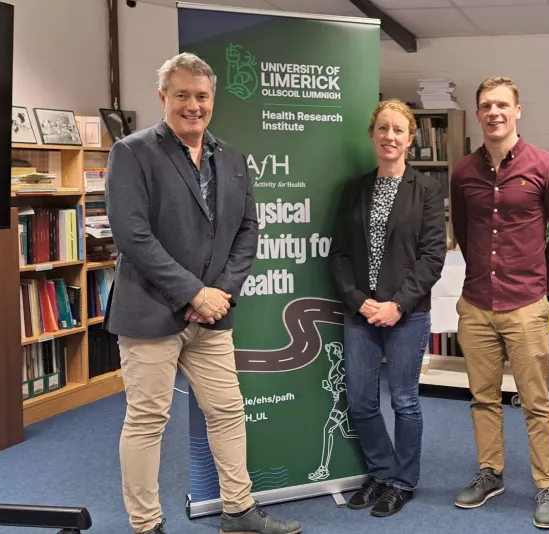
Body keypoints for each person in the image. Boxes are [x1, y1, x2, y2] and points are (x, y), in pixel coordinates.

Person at [103, 52, 302, 534]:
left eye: (202, 96)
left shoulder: (230, 157)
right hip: (151, 311)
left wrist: (221, 294)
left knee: (228, 411)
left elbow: (248, 230)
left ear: (213, 99)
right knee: (148, 421)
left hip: (213, 316)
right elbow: (133, 237)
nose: (193, 105)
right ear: (163, 98)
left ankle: (238, 510)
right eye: (182, 95)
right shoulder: (132, 153)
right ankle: (146, 525)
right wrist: (195, 293)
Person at [449, 77, 549, 529]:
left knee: (535, 400)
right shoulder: (463, 171)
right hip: (476, 304)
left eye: (502, 105)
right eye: (486, 106)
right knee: (482, 398)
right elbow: (463, 230)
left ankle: (548, 483)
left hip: (526, 304)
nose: (494, 113)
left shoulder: (548, 166)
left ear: (517, 111)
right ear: (479, 113)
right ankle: (490, 473)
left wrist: (545, 278)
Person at [329, 98, 447, 518]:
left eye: (398, 130)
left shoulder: (428, 190)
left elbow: (433, 256)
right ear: (372, 135)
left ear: (411, 139)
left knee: (404, 401)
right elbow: (339, 254)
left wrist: (397, 305)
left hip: (407, 313)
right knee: (360, 401)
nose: (390, 136)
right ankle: (381, 471)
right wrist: (360, 302)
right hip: (361, 311)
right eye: (383, 128)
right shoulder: (356, 189)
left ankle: (402, 481)